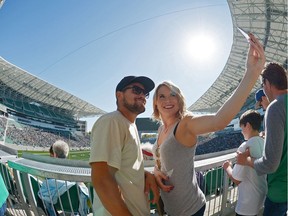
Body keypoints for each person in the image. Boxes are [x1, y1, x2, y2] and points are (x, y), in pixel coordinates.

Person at [151, 33, 265, 216]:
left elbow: (218, 121)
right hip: (170, 210)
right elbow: (161, 161)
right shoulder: (160, 129)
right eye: (161, 96)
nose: (167, 100)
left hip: (191, 210)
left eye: (173, 94)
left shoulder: (185, 124)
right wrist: (156, 172)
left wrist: (252, 72)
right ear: (155, 103)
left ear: (180, 100)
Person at [89, 76, 159, 216]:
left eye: (145, 93)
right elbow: (102, 179)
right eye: (136, 90)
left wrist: (145, 175)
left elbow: (123, 167)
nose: (142, 95)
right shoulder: (112, 121)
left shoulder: (129, 125)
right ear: (119, 95)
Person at [237, 62, 287, 216]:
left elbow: (270, 164)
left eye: (263, 84)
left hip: (279, 191)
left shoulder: (275, 107)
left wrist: (247, 161)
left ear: (267, 83)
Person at [222, 110, 267, 216]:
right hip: (261, 199)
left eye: (242, 128)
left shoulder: (245, 146)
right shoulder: (264, 142)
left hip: (247, 205)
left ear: (247, 125)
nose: (241, 132)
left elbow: (236, 178)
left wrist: (227, 167)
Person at [38, 140, 89, 216]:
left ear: (55, 155)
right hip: (73, 208)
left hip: (54, 207)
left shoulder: (49, 181)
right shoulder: (75, 176)